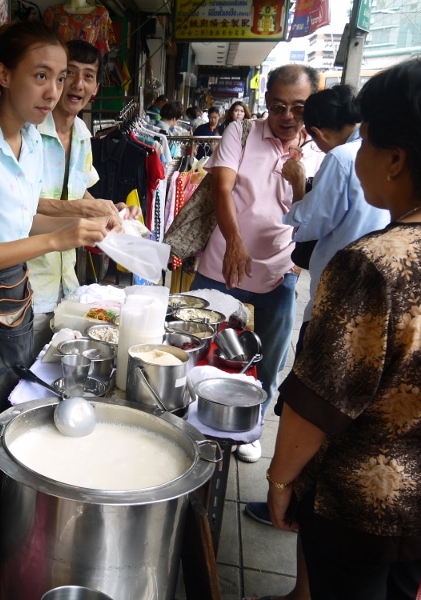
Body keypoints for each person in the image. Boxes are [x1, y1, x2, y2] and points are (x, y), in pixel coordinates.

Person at [265, 57, 421, 600]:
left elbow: (321, 397)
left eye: (365, 140)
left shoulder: (373, 263)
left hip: (359, 504)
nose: (354, 154)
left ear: (396, 160)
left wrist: (281, 479)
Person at [0, 21, 117, 438]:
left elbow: (23, 219)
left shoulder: (29, 142)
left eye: (60, 78)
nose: (54, 92)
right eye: (41, 76)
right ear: (5, 75)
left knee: (10, 426)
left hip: (9, 299)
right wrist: (56, 239)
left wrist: (84, 225)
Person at [242, 84, 391, 600]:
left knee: (312, 413)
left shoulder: (343, 163)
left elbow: (309, 223)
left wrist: (280, 480)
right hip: (406, 505)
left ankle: (291, 511)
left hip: (334, 307)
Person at [189, 64, 323, 463]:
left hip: (281, 267)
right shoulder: (242, 131)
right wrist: (234, 241)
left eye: (298, 108)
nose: (287, 116)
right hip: (222, 261)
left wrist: (299, 182)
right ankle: (191, 418)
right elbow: (222, 186)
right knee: (198, 343)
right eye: (278, 106)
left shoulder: (320, 147)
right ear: (266, 102)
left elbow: (314, 213)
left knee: (269, 357)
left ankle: (251, 425)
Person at [30, 40, 137, 351]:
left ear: (96, 88)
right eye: (69, 74)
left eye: (88, 76)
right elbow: (17, 205)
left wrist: (111, 210)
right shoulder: (28, 133)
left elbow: (79, 190)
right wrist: (82, 209)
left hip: (67, 285)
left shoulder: (82, 134)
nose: (78, 84)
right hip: (27, 286)